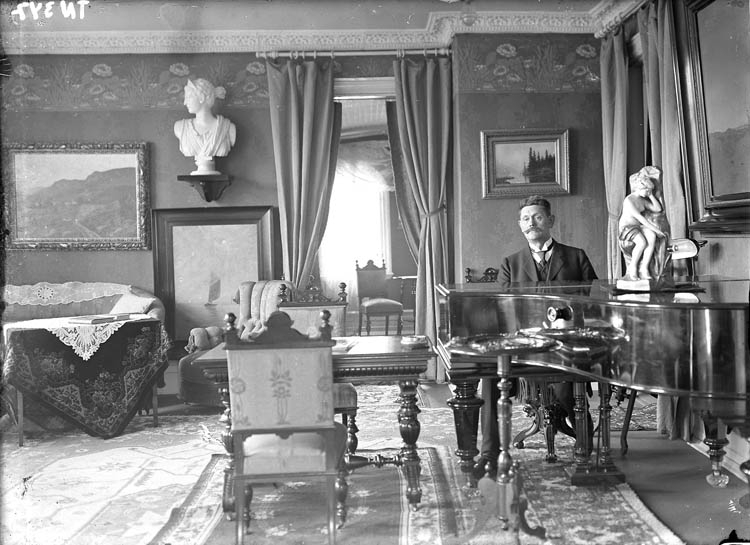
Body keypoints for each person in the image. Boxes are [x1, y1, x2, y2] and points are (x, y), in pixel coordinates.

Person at [476, 195, 597, 477]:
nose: (532, 223)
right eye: (526, 219)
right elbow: (504, 310)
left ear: (550, 221)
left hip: (563, 345)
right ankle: (489, 453)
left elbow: (591, 303)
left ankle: (585, 442)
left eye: (538, 217)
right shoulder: (510, 263)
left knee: (568, 389)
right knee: (490, 377)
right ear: (520, 225)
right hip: (524, 346)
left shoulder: (576, 257)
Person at [173, 78, 237, 175]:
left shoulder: (228, 128)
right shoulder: (180, 128)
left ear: (201, 98)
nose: (185, 102)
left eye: (189, 97)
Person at [618, 166, 667, 280]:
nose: (649, 192)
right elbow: (642, 219)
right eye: (647, 190)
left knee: (651, 236)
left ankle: (644, 268)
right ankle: (633, 268)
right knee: (642, 242)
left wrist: (651, 196)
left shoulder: (642, 200)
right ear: (640, 188)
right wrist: (657, 230)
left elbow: (658, 209)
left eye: (650, 191)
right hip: (627, 228)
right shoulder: (629, 201)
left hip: (638, 227)